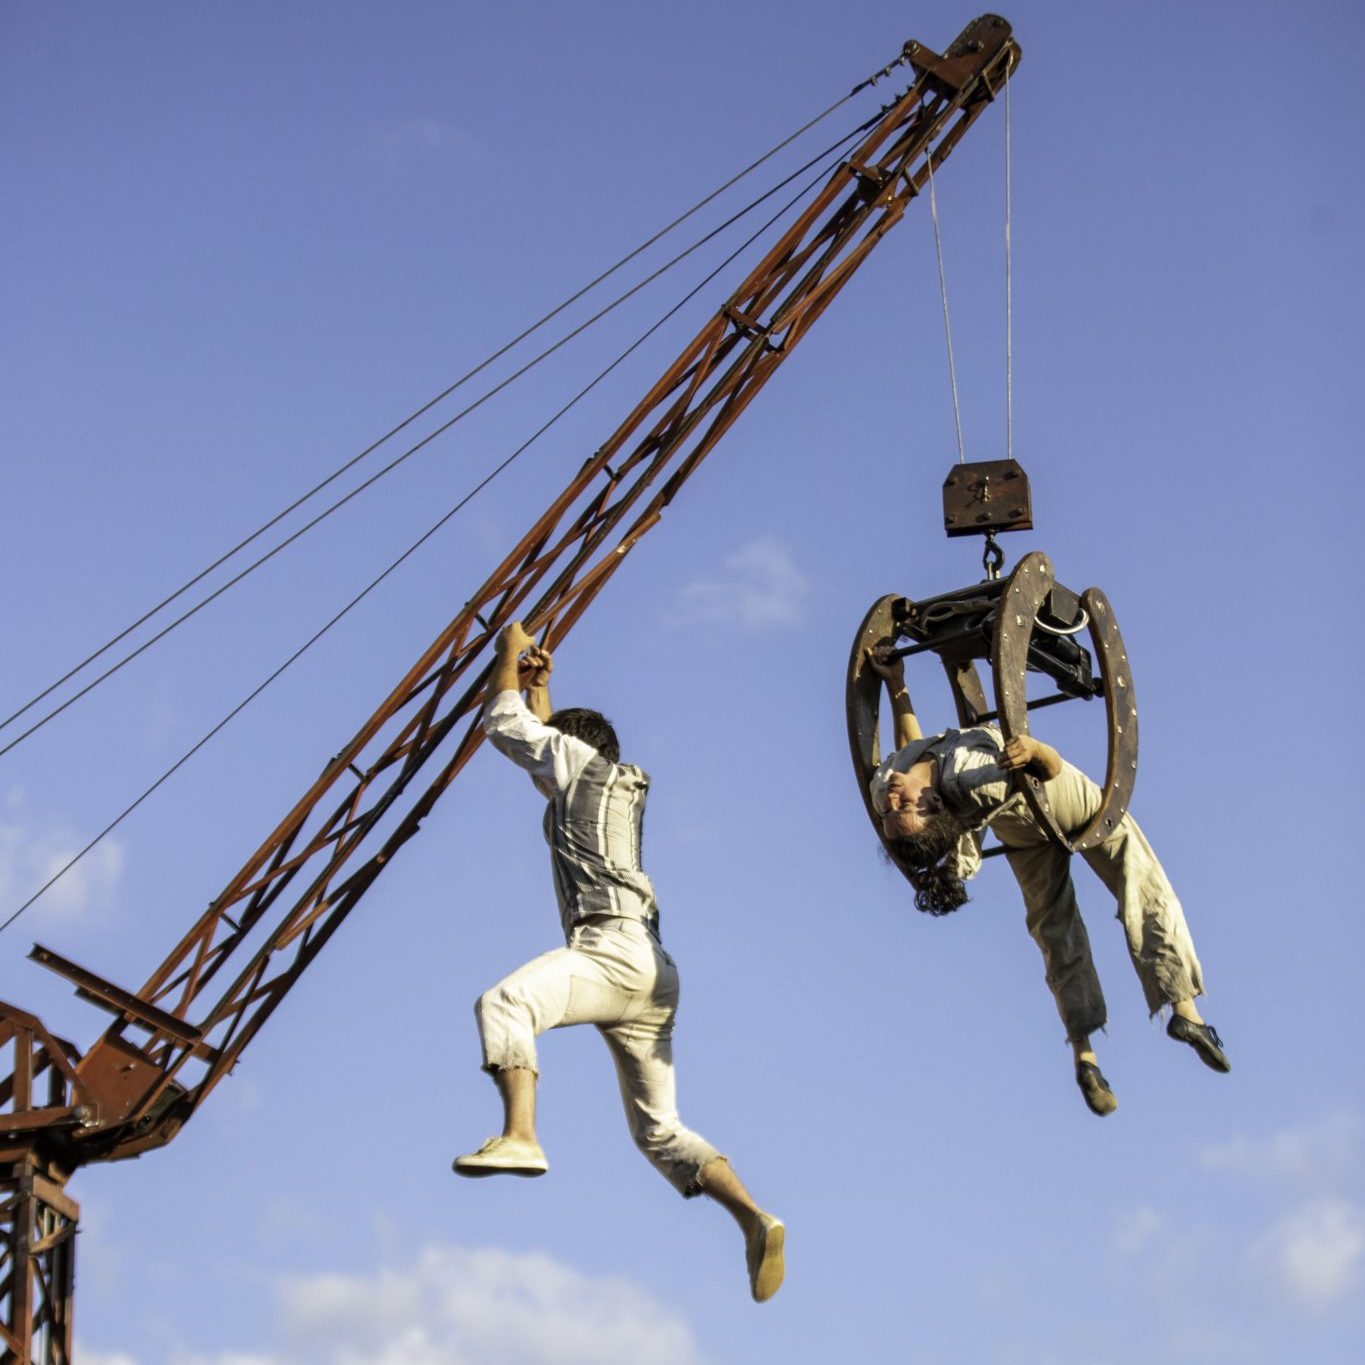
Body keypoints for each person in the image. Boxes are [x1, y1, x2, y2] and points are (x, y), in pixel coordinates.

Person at [455, 620, 785, 1302]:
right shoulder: (605, 784)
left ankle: (520, 1134)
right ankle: (755, 1216)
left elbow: (501, 720)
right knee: (659, 1131)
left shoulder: (577, 766)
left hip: (609, 952)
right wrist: (544, 689)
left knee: (504, 1004)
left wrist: (508, 656)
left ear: (567, 748)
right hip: (654, 971)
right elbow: (549, 761)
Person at [865, 644, 1230, 1116]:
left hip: (1021, 833)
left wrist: (898, 685)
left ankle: (1085, 1054)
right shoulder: (974, 778)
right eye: (905, 811)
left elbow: (910, 749)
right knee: (1142, 885)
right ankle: (1184, 1011)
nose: (894, 802)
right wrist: (1034, 749)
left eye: (893, 811)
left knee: (1052, 925)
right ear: (935, 804)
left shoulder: (887, 785)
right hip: (1064, 802)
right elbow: (1047, 771)